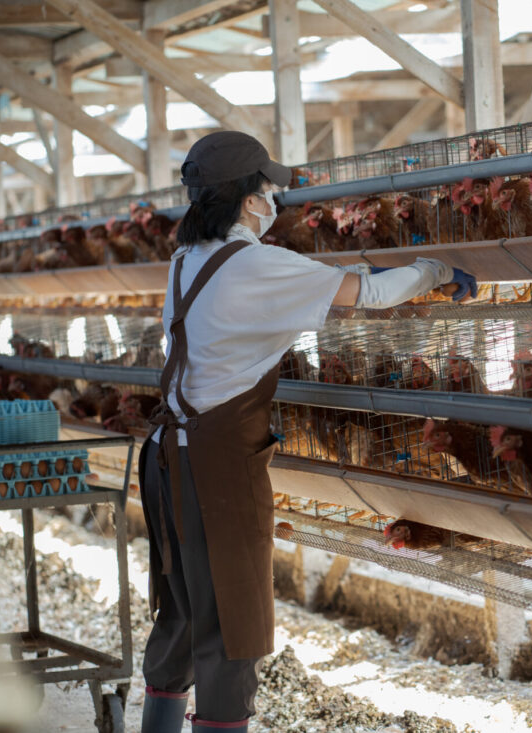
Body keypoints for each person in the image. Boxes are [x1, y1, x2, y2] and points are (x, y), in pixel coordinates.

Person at [139, 131, 476, 732]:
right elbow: (368, 292)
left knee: (182, 616)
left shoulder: (183, 260)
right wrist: (433, 268)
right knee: (232, 630)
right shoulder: (256, 265)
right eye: (269, 190)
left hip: (170, 459)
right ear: (248, 201)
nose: (275, 201)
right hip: (215, 471)